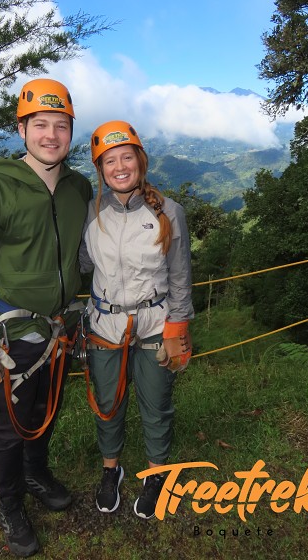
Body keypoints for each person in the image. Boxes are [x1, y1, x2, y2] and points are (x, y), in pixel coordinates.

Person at [0, 78, 92, 558]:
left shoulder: (78, 189)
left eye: (60, 125)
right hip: (12, 333)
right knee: (11, 426)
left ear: (70, 131)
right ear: (22, 129)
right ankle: (10, 503)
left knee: (47, 410)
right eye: (40, 125)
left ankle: (36, 473)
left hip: (60, 329)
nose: (51, 135)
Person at [79, 120, 194, 520]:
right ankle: (111, 469)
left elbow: (180, 275)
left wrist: (178, 327)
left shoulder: (168, 212)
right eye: (110, 161)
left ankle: (157, 473)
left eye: (126, 157)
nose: (120, 167)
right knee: (108, 403)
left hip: (156, 323)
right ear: (100, 169)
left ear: (141, 162)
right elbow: (83, 263)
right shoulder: (93, 213)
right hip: (106, 323)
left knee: (156, 403)